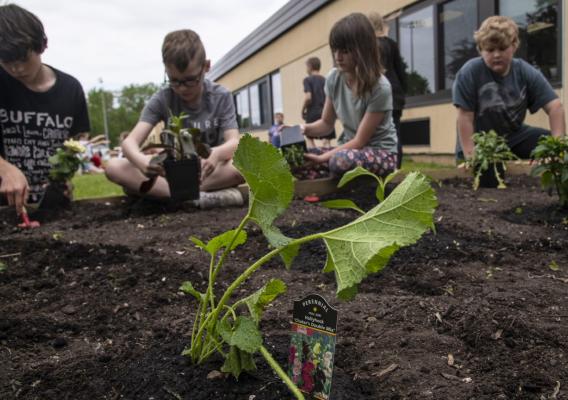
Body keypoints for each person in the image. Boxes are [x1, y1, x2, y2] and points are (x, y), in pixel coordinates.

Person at [105, 29, 244, 208]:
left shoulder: (221, 96)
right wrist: (142, 162)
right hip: (171, 175)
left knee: (247, 165)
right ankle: (198, 199)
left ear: (206, 67)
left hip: (209, 172)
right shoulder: (162, 98)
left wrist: (216, 154)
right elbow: (130, 142)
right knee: (114, 167)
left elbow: (234, 142)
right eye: (174, 80)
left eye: (190, 80)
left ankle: (170, 197)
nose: (182, 88)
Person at [0, 4, 90, 212]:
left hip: (49, 205)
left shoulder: (71, 89)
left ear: (42, 45)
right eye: (7, 61)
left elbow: (75, 142)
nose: (17, 69)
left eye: (24, 59)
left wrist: (64, 178)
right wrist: (5, 169)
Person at [291, 13, 398, 180]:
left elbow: (359, 141)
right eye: (335, 50)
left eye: (345, 51)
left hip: (381, 153)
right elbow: (326, 124)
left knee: (339, 162)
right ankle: (337, 180)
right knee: (296, 160)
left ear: (363, 50)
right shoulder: (334, 78)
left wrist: (321, 159)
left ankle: (339, 180)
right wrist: (304, 129)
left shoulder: (380, 88)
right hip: (349, 151)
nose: (338, 57)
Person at [453, 15, 565, 161]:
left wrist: (558, 148)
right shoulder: (469, 73)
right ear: (480, 50)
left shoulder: (525, 72)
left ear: (514, 45)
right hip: (478, 142)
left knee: (559, 146)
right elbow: (465, 117)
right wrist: (470, 155)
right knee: (482, 179)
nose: (497, 54)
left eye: (502, 48)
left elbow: (555, 107)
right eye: (490, 50)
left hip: (514, 137)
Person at [368, 12, 406, 169]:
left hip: (376, 96)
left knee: (375, 134)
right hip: (395, 94)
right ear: (381, 25)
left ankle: (378, 167)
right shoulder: (391, 44)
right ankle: (395, 168)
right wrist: (403, 90)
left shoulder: (368, 47)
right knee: (394, 133)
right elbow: (400, 70)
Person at [301, 57, 335, 148]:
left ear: (310, 66)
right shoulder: (325, 80)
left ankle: (315, 159)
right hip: (326, 111)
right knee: (326, 139)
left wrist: (303, 109)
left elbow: (308, 97)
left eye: (306, 66)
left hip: (312, 112)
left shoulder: (307, 80)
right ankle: (327, 159)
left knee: (309, 138)